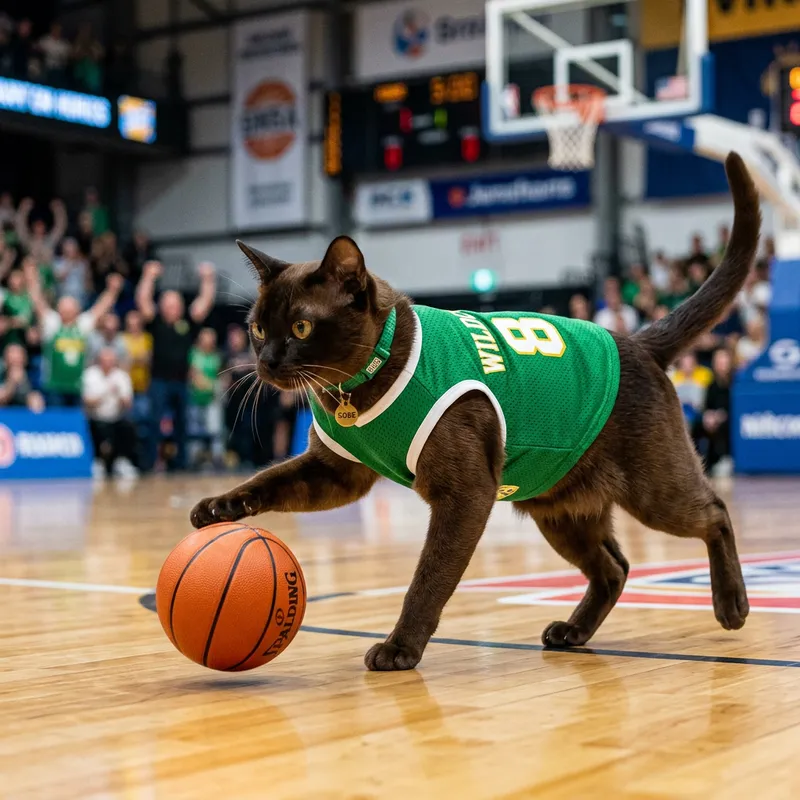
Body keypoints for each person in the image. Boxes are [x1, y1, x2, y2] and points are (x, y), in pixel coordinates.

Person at [135, 259, 217, 471]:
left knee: (182, 425)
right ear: (162, 306)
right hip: (159, 381)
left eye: (176, 304)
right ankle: (151, 462)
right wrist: (148, 276)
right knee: (154, 424)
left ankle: (180, 465)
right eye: (168, 304)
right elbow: (143, 300)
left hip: (181, 381)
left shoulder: (187, 323)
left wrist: (208, 280)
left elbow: (204, 303)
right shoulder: (155, 322)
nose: (172, 308)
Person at [26, 259, 123, 407]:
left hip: (77, 386)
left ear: (76, 310)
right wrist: (31, 278)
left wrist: (112, 290)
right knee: (56, 425)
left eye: (71, 307)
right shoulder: (53, 324)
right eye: (64, 307)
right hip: (54, 386)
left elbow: (99, 309)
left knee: (74, 422)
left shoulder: (82, 326)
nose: (67, 310)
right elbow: (38, 302)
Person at [82, 347, 138, 479]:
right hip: (96, 417)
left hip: (116, 417)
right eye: (104, 360)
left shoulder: (122, 376)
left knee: (128, 426)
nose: (107, 363)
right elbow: (88, 401)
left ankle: (122, 461)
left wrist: (120, 397)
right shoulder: (90, 375)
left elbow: (128, 403)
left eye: (110, 360)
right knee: (90, 426)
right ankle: (97, 462)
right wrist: (106, 391)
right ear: (99, 361)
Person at [692, 348, 734, 476]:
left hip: (731, 418)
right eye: (718, 361)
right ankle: (697, 462)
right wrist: (707, 416)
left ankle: (724, 459)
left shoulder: (736, 382)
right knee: (697, 425)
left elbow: (737, 406)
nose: (721, 364)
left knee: (724, 426)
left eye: (723, 361)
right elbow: (707, 406)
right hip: (714, 418)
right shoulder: (712, 384)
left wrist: (722, 415)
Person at [188, 327, 223, 468]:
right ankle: (193, 459)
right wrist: (210, 384)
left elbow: (221, 375)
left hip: (212, 399)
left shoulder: (216, 356)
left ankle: (217, 458)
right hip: (194, 398)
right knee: (194, 431)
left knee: (215, 429)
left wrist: (213, 385)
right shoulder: (193, 353)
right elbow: (193, 375)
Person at [222, 324, 256, 467]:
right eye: (232, 337)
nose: (235, 340)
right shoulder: (225, 355)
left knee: (247, 430)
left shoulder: (251, 355)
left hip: (249, 403)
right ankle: (233, 458)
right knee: (231, 431)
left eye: (238, 337)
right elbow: (222, 379)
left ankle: (247, 458)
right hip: (231, 402)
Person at [15, 197, 68, 274]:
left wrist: (59, 211)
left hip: (48, 273)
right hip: (33, 274)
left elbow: (60, 227)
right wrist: (23, 210)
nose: (39, 228)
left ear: (45, 228)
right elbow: (20, 228)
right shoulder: (29, 240)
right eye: (37, 226)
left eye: (41, 226)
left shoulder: (49, 240)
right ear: (33, 227)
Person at [0, 343, 44, 412]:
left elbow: (37, 400)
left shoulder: (33, 375)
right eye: (11, 355)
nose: (15, 358)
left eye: (18, 356)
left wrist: (23, 382)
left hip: (25, 413)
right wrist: (11, 383)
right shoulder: (2, 374)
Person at [0, 265, 34, 350]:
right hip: (7, 340)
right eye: (13, 278)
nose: (15, 281)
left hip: (24, 341)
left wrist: (10, 322)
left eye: (18, 278)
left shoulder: (28, 297)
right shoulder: (4, 297)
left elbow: (27, 320)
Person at [54, 237, 90, 309]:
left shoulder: (82, 263)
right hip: (64, 298)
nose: (71, 251)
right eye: (69, 249)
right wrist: (70, 264)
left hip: (81, 298)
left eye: (73, 249)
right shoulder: (58, 262)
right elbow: (59, 278)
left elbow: (87, 282)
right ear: (64, 250)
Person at [37, 22, 71, 86]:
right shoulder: (45, 40)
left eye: (58, 30)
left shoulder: (64, 44)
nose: (56, 31)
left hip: (59, 69)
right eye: (55, 29)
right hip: (45, 67)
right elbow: (38, 49)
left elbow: (67, 58)